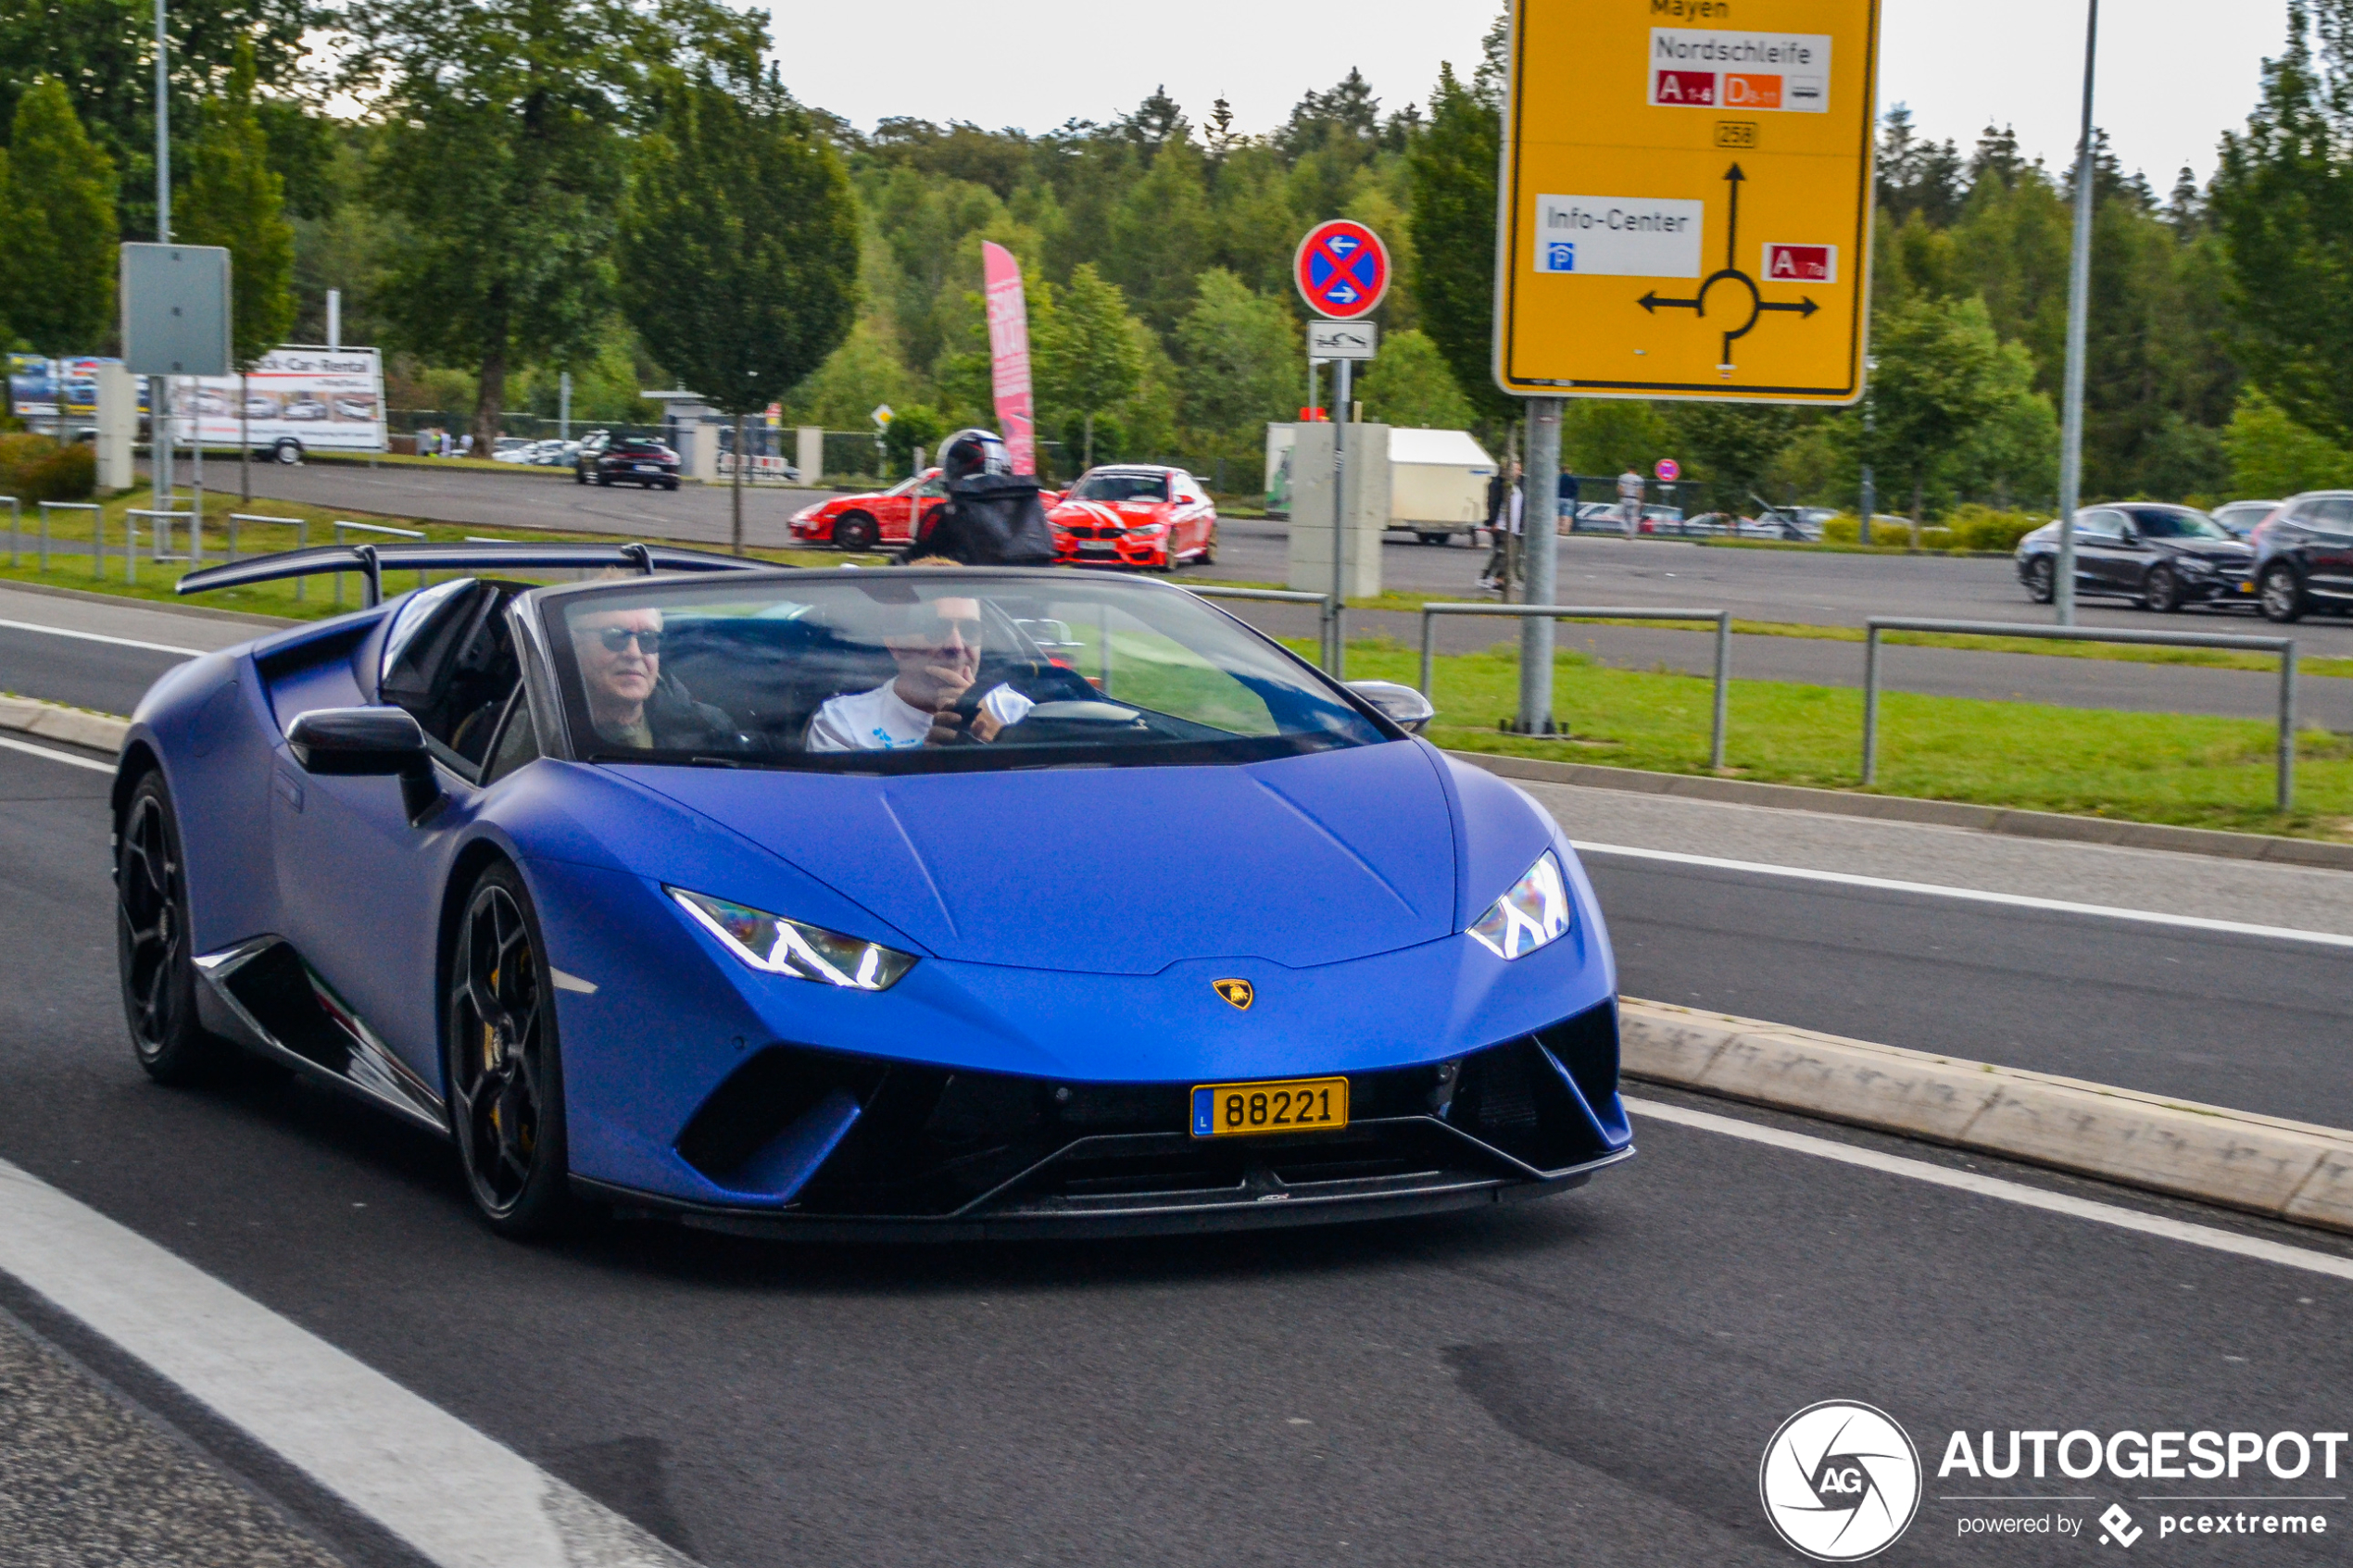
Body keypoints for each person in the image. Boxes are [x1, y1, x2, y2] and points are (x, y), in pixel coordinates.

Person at [808, 595, 1034, 751]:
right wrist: (927, 759)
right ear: (895, 644)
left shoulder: (1019, 713)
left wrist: (997, 735)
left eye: (970, 630)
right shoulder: (843, 722)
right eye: (936, 628)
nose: (956, 645)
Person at [569, 605, 735, 750]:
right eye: (616, 636)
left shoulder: (710, 729)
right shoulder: (548, 729)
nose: (634, 653)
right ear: (575, 643)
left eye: (648, 639)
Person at [899, 428, 1053, 565]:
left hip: (973, 593)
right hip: (1033, 591)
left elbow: (913, 559)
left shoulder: (946, 513)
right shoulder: (1031, 505)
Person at [1480, 458, 1522, 594]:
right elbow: (1494, 503)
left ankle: (1495, 578)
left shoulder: (1517, 485)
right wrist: (1493, 522)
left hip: (1514, 526)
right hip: (1502, 525)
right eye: (1517, 468)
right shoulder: (1499, 484)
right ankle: (1495, 579)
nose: (1519, 471)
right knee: (1504, 553)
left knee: (1506, 554)